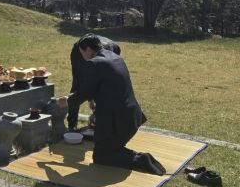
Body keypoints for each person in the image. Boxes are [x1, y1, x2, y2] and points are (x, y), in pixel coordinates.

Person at [58, 35, 166, 175]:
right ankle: (130, 154)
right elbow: (101, 86)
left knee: (101, 156)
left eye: (81, 53)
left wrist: (66, 101)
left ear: (88, 50)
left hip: (118, 123)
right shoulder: (115, 57)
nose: (82, 57)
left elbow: (82, 93)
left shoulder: (94, 63)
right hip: (132, 118)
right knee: (108, 149)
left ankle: (141, 159)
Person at [68, 34, 121, 130]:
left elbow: (101, 84)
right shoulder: (79, 51)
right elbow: (83, 81)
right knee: (76, 86)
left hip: (92, 48)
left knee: (104, 89)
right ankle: (72, 125)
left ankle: (101, 122)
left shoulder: (112, 52)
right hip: (80, 49)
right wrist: (90, 98)